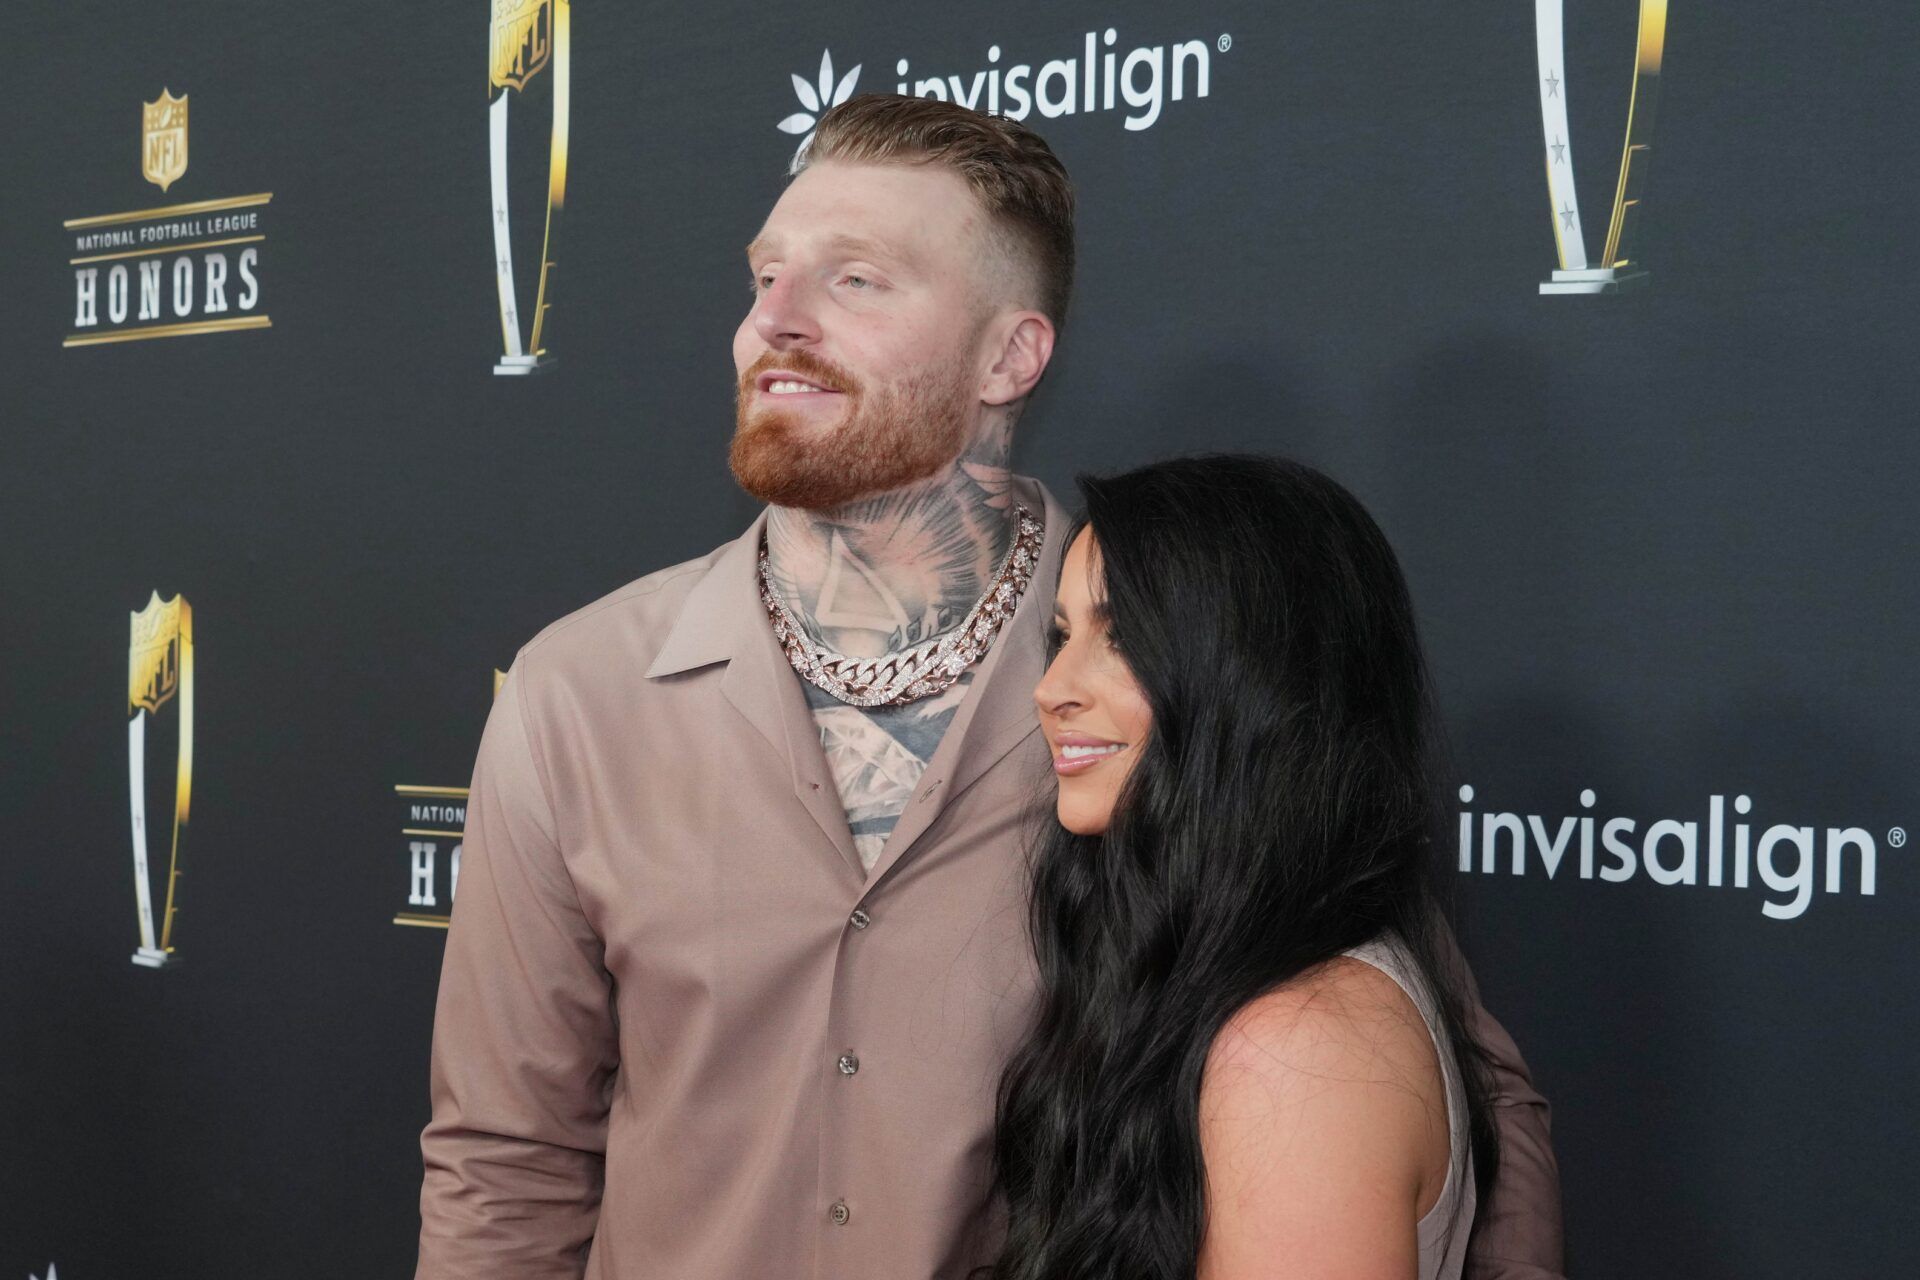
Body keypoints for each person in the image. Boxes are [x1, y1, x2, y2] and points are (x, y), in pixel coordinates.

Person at [415, 95, 1563, 1279]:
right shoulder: (577, 692)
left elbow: (1460, 1091)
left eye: (855, 280)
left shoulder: (1165, 681)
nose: (774, 320)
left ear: (1010, 355)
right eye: (765, 276)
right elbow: (508, 1162)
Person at [995, 455, 1501, 1280]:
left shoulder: (1303, 1048)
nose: (1053, 687)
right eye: (1062, 634)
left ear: (1256, 677)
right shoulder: (1222, 988)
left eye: (1121, 636)